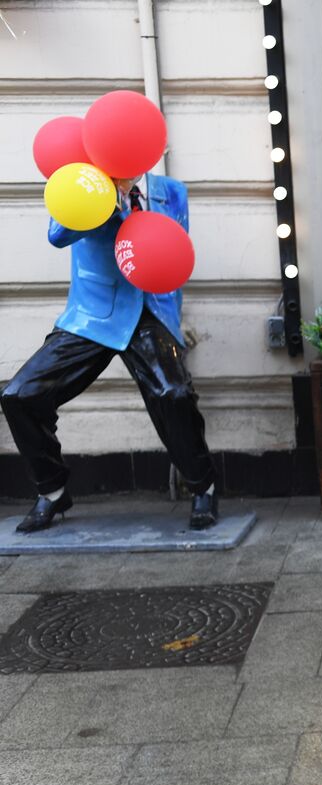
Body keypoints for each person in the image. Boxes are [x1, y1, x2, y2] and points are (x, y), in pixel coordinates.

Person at [1, 172, 218, 532]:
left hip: (149, 313)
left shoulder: (171, 191)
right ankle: (51, 490)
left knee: (174, 394)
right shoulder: (83, 184)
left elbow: (174, 254)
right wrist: (104, 204)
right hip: (92, 314)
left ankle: (203, 486)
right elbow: (58, 236)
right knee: (19, 395)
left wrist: (169, 322)